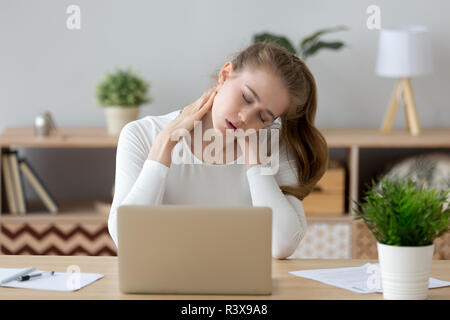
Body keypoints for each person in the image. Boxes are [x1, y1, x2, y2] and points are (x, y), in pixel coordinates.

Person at [108, 42, 328, 259]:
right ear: (225, 75)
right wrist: (163, 146)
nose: (245, 118)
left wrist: (254, 162)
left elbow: (281, 245)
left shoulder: (274, 146)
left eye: (263, 117)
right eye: (247, 98)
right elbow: (126, 239)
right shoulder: (141, 134)